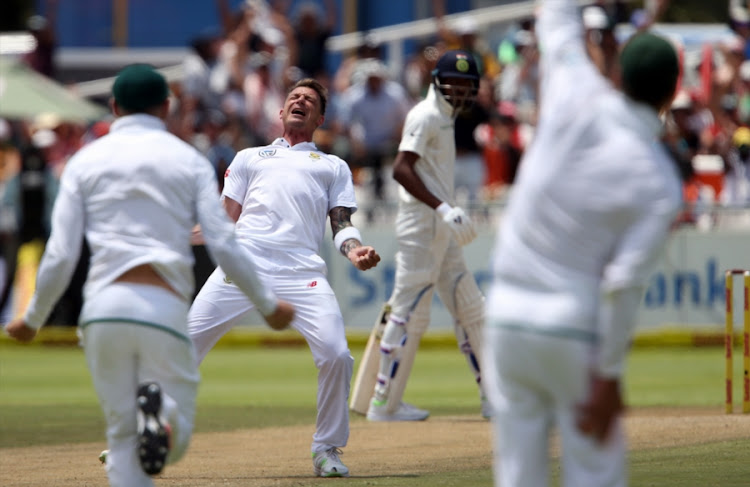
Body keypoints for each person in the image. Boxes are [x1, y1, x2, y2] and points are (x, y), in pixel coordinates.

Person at [3, 64, 294, 487]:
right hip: (162, 307)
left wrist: (32, 319)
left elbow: (61, 253)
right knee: (174, 438)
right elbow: (223, 241)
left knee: (123, 440)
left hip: (102, 312)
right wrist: (267, 304)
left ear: (115, 106)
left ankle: (148, 418)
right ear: (166, 106)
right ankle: (163, 415)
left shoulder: (84, 161)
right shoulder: (188, 160)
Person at [482, 1, 683, 486]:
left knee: (516, 475)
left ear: (618, 71)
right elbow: (624, 284)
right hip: (573, 328)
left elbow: (556, 17)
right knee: (595, 472)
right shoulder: (660, 181)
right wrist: (610, 374)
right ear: (672, 93)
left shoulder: (574, 90)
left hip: (506, 317)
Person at [187, 78, 381, 478]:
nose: (300, 101)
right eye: (294, 97)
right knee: (183, 345)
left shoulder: (332, 165)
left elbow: (341, 224)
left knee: (336, 355)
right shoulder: (249, 157)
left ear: (320, 118)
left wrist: (354, 249)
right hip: (243, 265)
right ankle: (140, 436)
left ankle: (326, 449)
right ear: (280, 111)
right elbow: (224, 222)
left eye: (309, 100)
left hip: (302, 273)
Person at [364, 50, 489, 422]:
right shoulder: (426, 115)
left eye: (467, 84)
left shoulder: (446, 118)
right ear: (436, 80)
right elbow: (401, 169)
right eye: (454, 82)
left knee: (471, 309)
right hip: (422, 224)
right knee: (407, 312)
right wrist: (443, 207)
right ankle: (383, 404)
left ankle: (495, 398)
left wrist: (445, 213)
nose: (461, 89)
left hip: (440, 228)